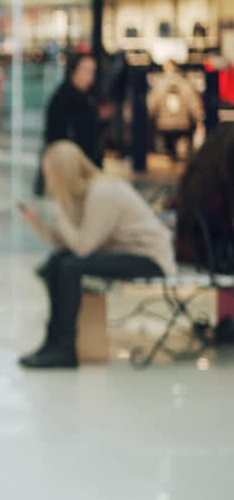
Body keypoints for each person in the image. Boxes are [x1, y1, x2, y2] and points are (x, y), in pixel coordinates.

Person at [18, 141, 176, 368]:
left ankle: (64, 349)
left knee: (69, 266)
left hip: (149, 258)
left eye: (50, 174)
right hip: (124, 253)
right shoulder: (86, 193)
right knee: (57, 261)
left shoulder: (102, 191)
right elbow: (69, 244)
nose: (49, 181)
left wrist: (59, 210)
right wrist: (38, 224)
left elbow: (82, 249)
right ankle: (52, 344)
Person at [173, 122, 234, 341]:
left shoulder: (199, 176)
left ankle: (228, 323)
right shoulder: (224, 183)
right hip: (215, 257)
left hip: (194, 252)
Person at [36, 53, 102, 196]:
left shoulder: (89, 97)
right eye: (85, 70)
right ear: (73, 71)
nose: (89, 77)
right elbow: (55, 138)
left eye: (92, 71)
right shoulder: (61, 99)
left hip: (86, 170)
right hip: (68, 173)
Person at [148, 60, 204, 162]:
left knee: (169, 149)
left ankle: (171, 157)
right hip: (183, 124)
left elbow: (152, 105)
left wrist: (149, 117)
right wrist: (198, 118)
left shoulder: (159, 85)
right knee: (182, 149)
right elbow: (193, 104)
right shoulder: (185, 83)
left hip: (164, 125)